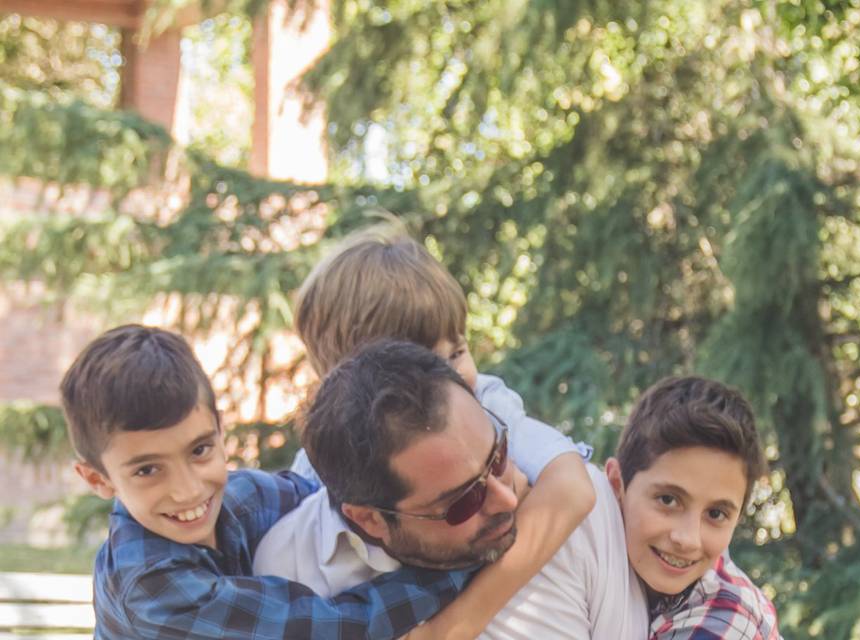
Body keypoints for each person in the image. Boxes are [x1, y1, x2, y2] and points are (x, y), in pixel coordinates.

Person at [258, 223, 602, 637]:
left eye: (457, 352)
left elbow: (573, 489)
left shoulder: (481, 406)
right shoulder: (310, 492)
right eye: (422, 365)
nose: (452, 376)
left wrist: (457, 624)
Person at [62, 324, 471, 640]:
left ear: (221, 430)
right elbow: (336, 628)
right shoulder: (151, 590)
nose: (187, 489)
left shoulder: (244, 497)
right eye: (147, 470)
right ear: (98, 479)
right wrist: (461, 564)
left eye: (200, 450)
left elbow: (335, 503)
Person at [258, 340, 649, 639]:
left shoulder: (577, 515)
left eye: (498, 457)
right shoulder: (289, 577)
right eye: (465, 500)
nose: (508, 498)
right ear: (370, 519)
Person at [604, 376, 782, 639]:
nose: (687, 539)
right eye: (668, 500)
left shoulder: (725, 621)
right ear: (617, 485)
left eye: (715, 514)